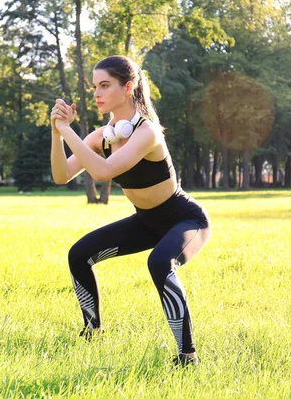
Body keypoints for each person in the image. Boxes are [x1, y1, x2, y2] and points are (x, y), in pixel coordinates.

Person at [50, 56, 211, 365]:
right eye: (94, 86)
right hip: (147, 221)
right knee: (78, 254)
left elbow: (102, 171)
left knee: (160, 262)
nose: (96, 93)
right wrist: (57, 134)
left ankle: (186, 355)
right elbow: (61, 175)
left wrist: (69, 132)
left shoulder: (147, 131)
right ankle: (92, 331)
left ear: (128, 87)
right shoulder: (102, 135)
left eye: (105, 85)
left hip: (185, 218)